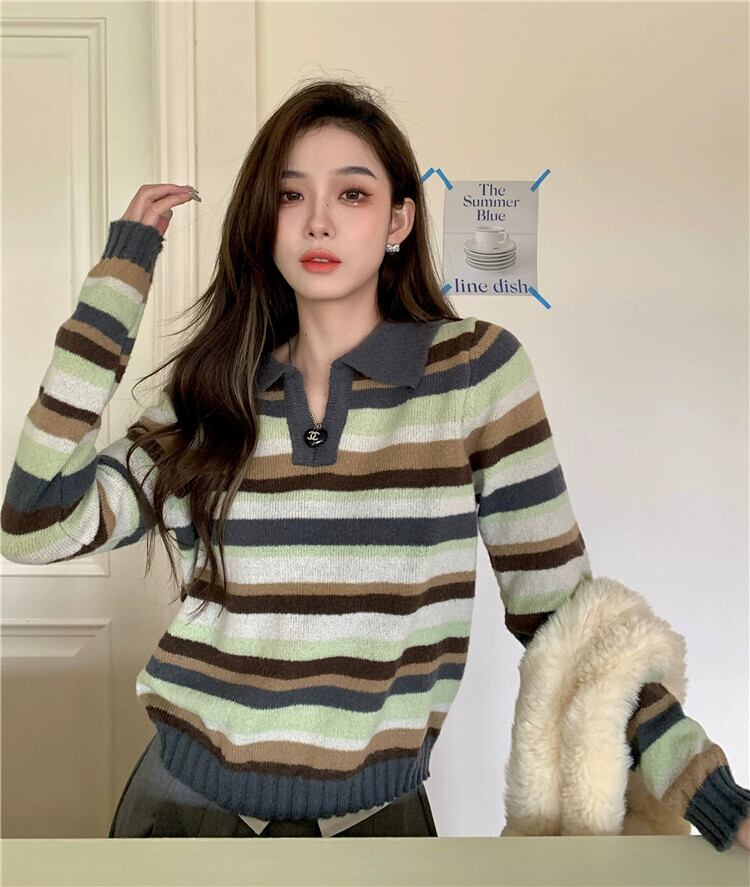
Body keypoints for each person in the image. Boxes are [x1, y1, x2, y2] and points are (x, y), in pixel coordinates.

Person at [1, 78, 749, 848]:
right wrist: (115, 291)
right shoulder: (210, 393)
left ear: (398, 221)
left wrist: (712, 793)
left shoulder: (474, 372)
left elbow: (568, 617)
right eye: (290, 195)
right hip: (182, 810)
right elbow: (35, 525)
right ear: (265, 222)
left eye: (351, 194)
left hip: (375, 824)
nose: (318, 219)